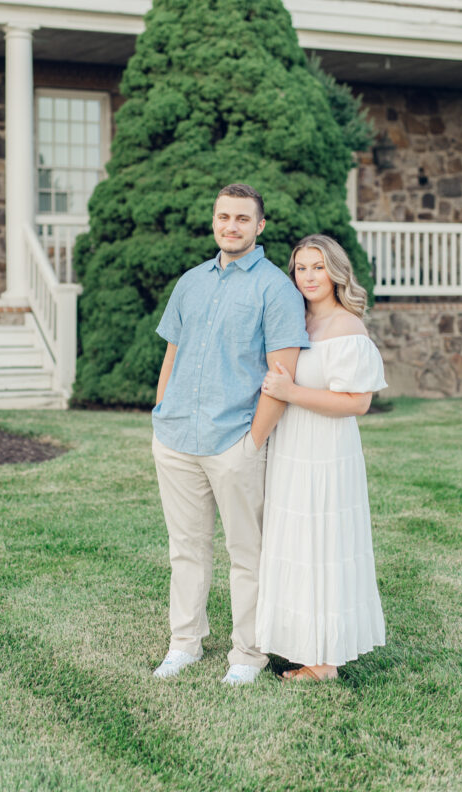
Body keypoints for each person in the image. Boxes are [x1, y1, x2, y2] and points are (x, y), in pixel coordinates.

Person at [151, 184, 309, 686]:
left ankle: (248, 653)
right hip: (176, 438)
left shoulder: (275, 290)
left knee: (248, 553)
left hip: (234, 442)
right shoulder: (191, 282)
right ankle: (184, 644)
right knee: (186, 547)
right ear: (214, 222)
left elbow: (281, 375)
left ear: (259, 226)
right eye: (224, 217)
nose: (231, 226)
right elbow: (172, 355)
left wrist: (252, 443)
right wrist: (161, 411)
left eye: (243, 218)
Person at [256, 234, 387, 681]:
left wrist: (291, 392)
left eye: (317, 267)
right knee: (294, 540)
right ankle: (299, 643)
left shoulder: (347, 328)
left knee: (324, 543)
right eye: (300, 268)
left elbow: (357, 403)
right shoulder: (295, 322)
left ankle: (325, 661)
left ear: (335, 272)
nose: (308, 276)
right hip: (292, 446)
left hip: (327, 450)